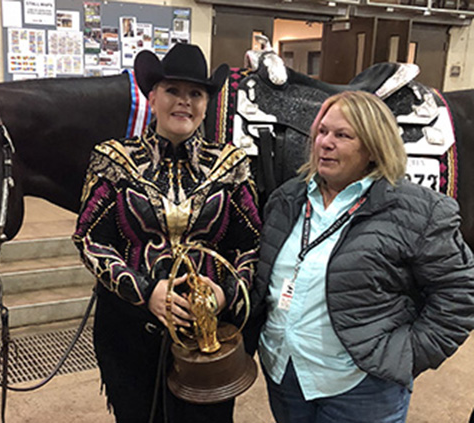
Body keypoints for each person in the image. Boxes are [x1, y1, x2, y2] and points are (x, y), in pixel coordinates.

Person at [249, 90, 474, 423]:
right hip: (285, 374)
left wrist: (404, 356)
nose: (325, 142)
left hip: (361, 388)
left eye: (342, 135)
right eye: (322, 132)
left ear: (373, 147)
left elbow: (458, 296)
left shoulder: (421, 211)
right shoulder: (287, 198)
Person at [73, 43, 261, 423]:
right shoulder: (113, 160)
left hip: (207, 339)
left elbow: (251, 245)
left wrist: (223, 295)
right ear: (153, 96)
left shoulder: (232, 165)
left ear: (207, 103)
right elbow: (90, 239)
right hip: (128, 331)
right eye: (173, 91)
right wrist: (146, 292)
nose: (184, 102)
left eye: (196, 94)